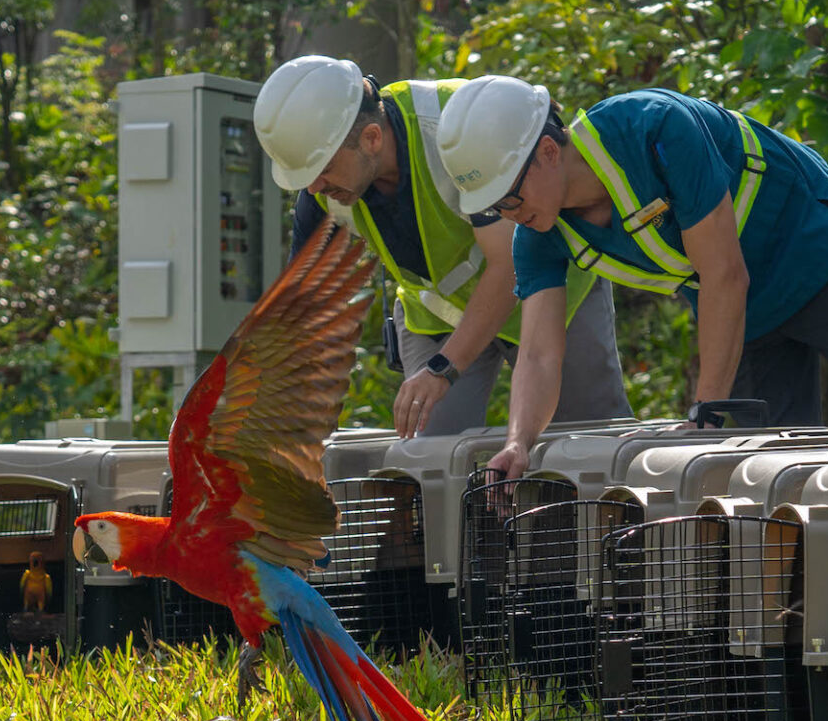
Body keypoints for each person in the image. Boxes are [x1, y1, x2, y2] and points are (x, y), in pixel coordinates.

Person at [434, 76, 828, 480]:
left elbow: (724, 274)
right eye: (495, 208)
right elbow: (537, 355)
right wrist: (519, 444)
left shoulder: (653, 128)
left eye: (509, 197)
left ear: (549, 152)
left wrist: (706, 412)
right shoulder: (537, 234)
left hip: (813, 250)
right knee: (772, 465)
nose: (508, 215)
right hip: (744, 315)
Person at [253, 56, 631, 439]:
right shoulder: (322, 187)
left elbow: (510, 265)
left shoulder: (459, 126)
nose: (314, 187)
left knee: (588, 443)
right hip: (439, 318)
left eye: (322, 170)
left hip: (547, 292)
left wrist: (443, 369)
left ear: (371, 138)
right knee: (430, 456)